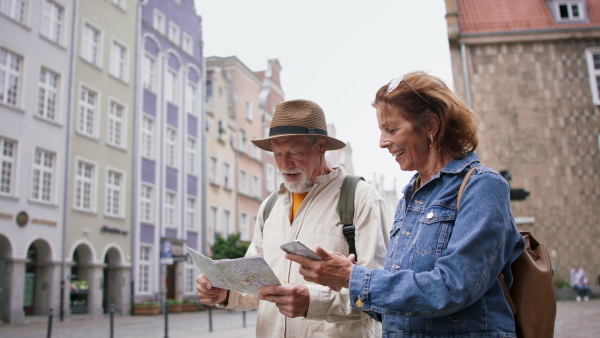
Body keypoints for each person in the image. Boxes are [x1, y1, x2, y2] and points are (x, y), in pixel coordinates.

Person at [286, 71, 526, 337]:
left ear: (431, 126)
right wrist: (345, 279)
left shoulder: (482, 186)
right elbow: (398, 303)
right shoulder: (410, 196)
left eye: (391, 129)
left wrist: (352, 277)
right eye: (381, 131)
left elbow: (453, 288)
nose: (382, 142)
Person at [196, 99, 390, 337]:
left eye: (294, 152)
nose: (284, 164)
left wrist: (313, 302)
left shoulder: (360, 198)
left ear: (321, 147)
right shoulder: (270, 206)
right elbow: (254, 285)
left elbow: (380, 293)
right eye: (277, 154)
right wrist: (225, 294)